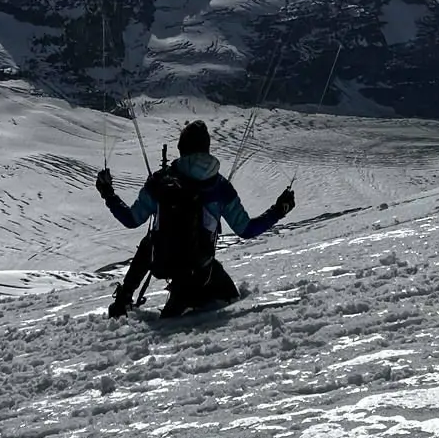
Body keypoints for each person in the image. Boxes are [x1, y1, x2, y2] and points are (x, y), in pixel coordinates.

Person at [96, 118, 295, 319]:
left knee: (149, 242)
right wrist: (279, 210)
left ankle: (123, 300)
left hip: (162, 263)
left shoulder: (161, 181)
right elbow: (247, 229)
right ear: (207, 148)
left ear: (181, 148)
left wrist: (108, 194)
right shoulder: (220, 187)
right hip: (200, 273)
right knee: (231, 296)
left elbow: (131, 219)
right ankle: (189, 300)